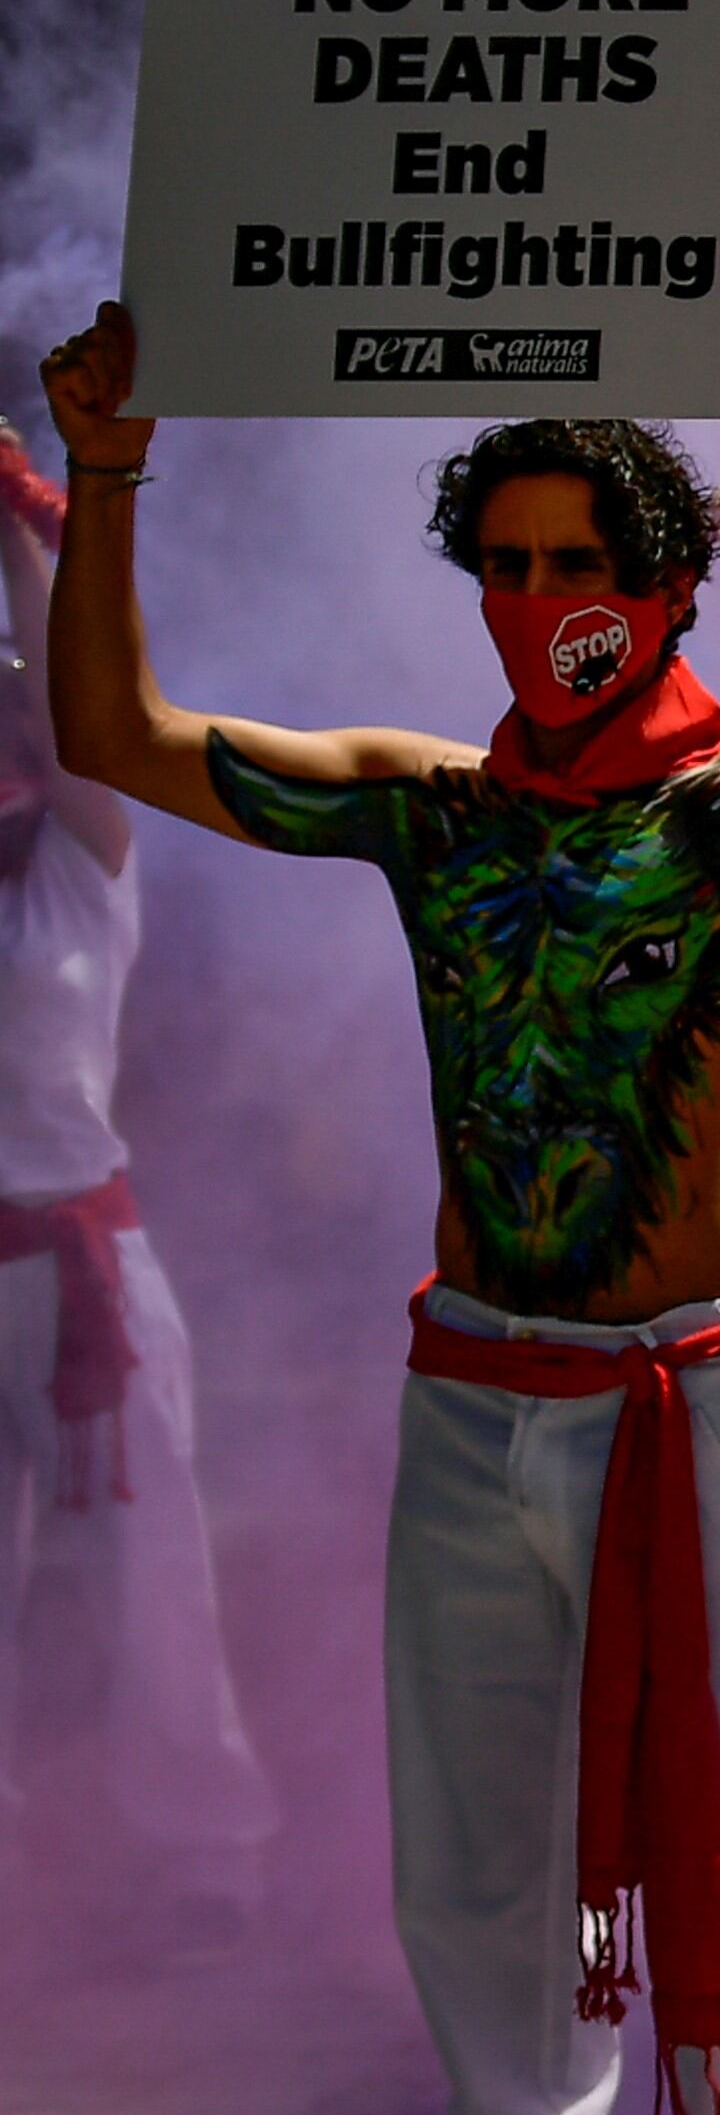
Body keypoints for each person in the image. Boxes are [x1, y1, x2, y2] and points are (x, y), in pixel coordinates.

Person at [38, 303, 720, 2115]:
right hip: (475, 1404)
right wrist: (111, 471)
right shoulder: (431, 813)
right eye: (509, 566)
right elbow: (113, 735)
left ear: (669, 587)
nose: (541, 601)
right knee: (482, 1895)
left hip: (700, 1413)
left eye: (580, 565)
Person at [0, 422, 275, 1955]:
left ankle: (208, 1858)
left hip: (85, 1263)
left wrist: (16, 529)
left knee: (154, 1574)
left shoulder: (79, 868)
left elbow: (78, 721)